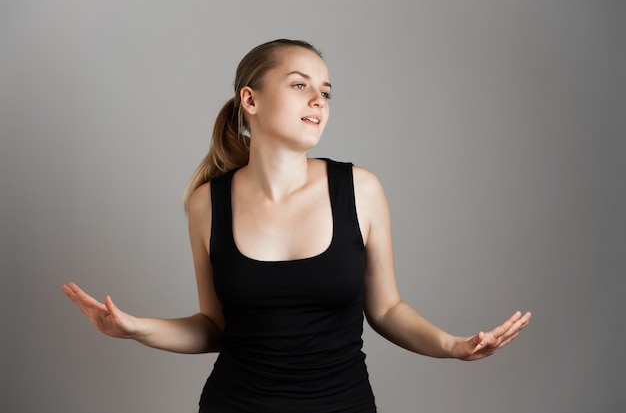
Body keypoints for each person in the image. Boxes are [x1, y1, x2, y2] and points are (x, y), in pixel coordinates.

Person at [62, 39, 531, 413]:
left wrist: (452, 345)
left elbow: (386, 310)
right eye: (299, 85)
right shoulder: (208, 203)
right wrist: (136, 328)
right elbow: (214, 327)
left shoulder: (360, 190)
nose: (318, 100)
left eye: (325, 91)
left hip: (342, 406)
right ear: (250, 99)